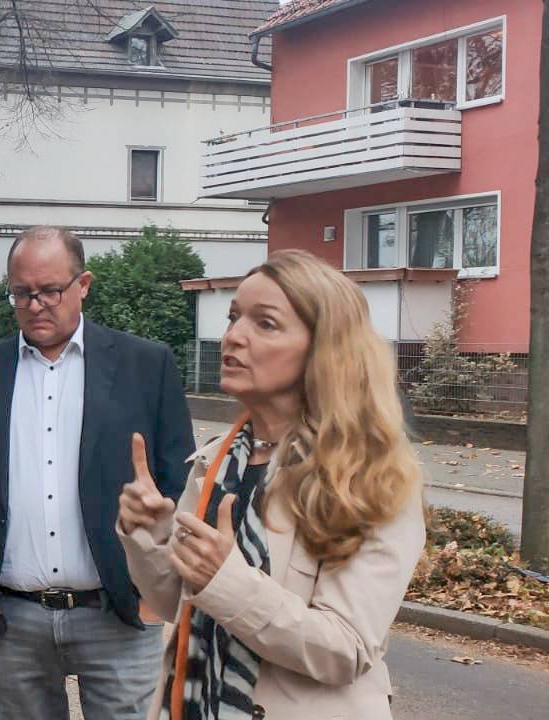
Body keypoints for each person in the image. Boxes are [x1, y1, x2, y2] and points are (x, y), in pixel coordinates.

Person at [118, 250, 425, 720]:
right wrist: (150, 536)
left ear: (324, 349)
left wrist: (227, 582)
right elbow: (175, 603)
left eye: (265, 324)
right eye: (234, 317)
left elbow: (345, 649)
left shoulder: (368, 475)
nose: (234, 336)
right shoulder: (217, 463)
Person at [0, 226, 195, 720]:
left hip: (120, 613)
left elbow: (180, 482)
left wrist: (155, 591)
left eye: (50, 290)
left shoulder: (145, 367)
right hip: (10, 620)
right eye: (22, 293)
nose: (35, 305)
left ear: (83, 285)